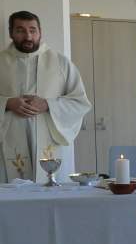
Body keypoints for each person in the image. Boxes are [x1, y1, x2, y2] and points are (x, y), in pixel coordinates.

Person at [0, 11, 91, 182]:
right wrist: (7, 103)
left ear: (40, 32)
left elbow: (80, 102)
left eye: (32, 30)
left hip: (48, 141)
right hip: (7, 141)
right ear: (11, 33)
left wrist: (48, 105)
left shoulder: (61, 63)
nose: (28, 36)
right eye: (20, 30)